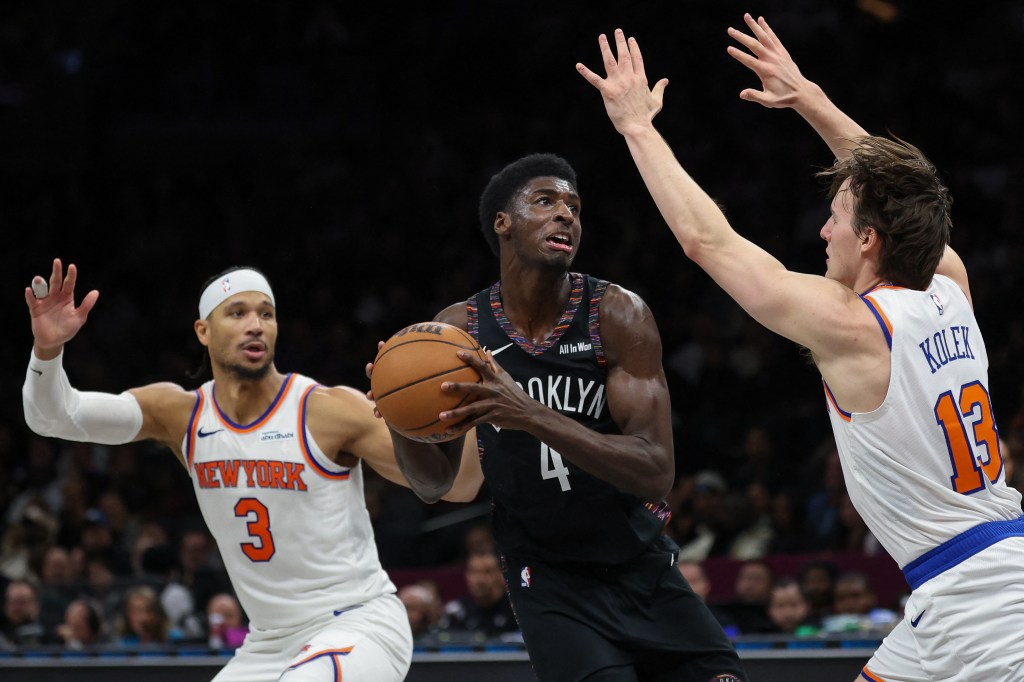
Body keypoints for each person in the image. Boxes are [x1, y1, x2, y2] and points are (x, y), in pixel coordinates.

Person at [578, 14, 1024, 681]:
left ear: (868, 241)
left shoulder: (857, 324)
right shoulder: (948, 286)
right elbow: (909, 198)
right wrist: (809, 99)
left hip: (981, 612)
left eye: (837, 219)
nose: (823, 231)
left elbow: (711, 243)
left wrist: (637, 128)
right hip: (972, 583)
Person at [374, 153, 748, 681]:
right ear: (503, 223)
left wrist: (528, 413)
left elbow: (656, 470)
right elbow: (432, 483)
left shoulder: (616, 314)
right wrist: (399, 417)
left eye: (574, 206)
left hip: (641, 563)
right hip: (548, 581)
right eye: (545, 202)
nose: (566, 215)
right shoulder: (460, 333)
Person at [21, 260, 477, 680]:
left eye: (266, 313)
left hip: (358, 624)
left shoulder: (329, 410)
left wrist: (478, 405)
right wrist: (47, 351)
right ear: (203, 330)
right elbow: (55, 417)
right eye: (236, 313)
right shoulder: (180, 415)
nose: (255, 324)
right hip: (269, 642)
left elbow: (458, 485)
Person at [438, 550, 518, 640]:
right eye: (473, 572)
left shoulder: (517, 610)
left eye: (487, 572)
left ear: (502, 575)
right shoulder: (456, 612)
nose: (479, 580)